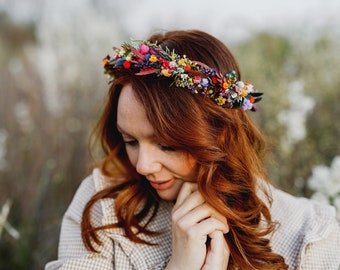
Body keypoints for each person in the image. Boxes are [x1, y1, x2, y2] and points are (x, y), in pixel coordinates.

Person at [45, 30, 340, 270]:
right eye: (130, 141)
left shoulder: (310, 234)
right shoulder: (102, 210)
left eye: (166, 145)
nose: (143, 166)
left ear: (219, 134)